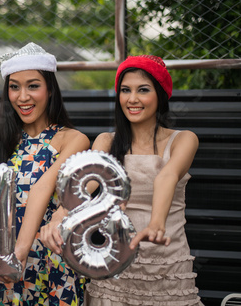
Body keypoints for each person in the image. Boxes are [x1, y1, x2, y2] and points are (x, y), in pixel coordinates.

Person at [40, 55, 203, 305]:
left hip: (165, 266)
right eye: (125, 90)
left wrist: (156, 224)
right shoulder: (106, 142)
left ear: (161, 95)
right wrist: (59, 216)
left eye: (143, 90)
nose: (132, 99)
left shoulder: (183, 139)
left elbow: (166, 177)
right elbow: (84, 185)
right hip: (113, 266)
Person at [0, 43, 90, 305]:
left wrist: (20, 252)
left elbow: (43, 189)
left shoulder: (73, 140)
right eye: (14, 87)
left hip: (49, 263)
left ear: (50, 89)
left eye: (33, 86)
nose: (22, 96)